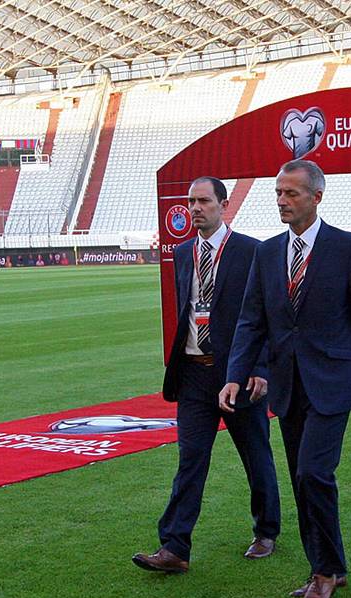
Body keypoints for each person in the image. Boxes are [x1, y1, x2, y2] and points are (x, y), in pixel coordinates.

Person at [219, 159, 351, 598]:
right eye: (278, 193)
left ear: (316, 197)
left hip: (332, 382)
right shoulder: (267, 253)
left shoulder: (348, 248)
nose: (282, 201)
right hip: (287, 385)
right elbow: (251, 320)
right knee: (303, 480)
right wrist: (235, 375)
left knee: (313, 473)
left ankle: (323, 573)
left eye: (292, 193)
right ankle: (328, 566)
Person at [133, 177, 281, 575]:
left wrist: (260, 368)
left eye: (203, 201)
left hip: (238, 374)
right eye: (191, 201)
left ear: (223, 205)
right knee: (191, 460)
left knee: (256, 455)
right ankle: (174, 547)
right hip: (194, 374)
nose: (195, 208)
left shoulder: (251, 251)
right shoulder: (184, 253)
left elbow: (266, 313)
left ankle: (266, 530)